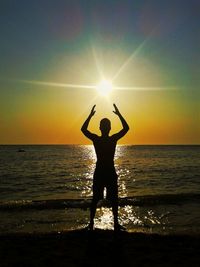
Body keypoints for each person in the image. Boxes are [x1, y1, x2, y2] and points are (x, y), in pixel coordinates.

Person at [81, 104, 129, 231]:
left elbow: (83, 129)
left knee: (98, 199)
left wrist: (90, 116)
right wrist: (118, 114)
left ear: (100, 128)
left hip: (102, 171)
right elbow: (126, 128)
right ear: (109, 128)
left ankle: (93, 224)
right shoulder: (112, 139)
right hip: (107, 171)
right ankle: (112, 223)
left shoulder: (97, 139)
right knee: (110, 199)